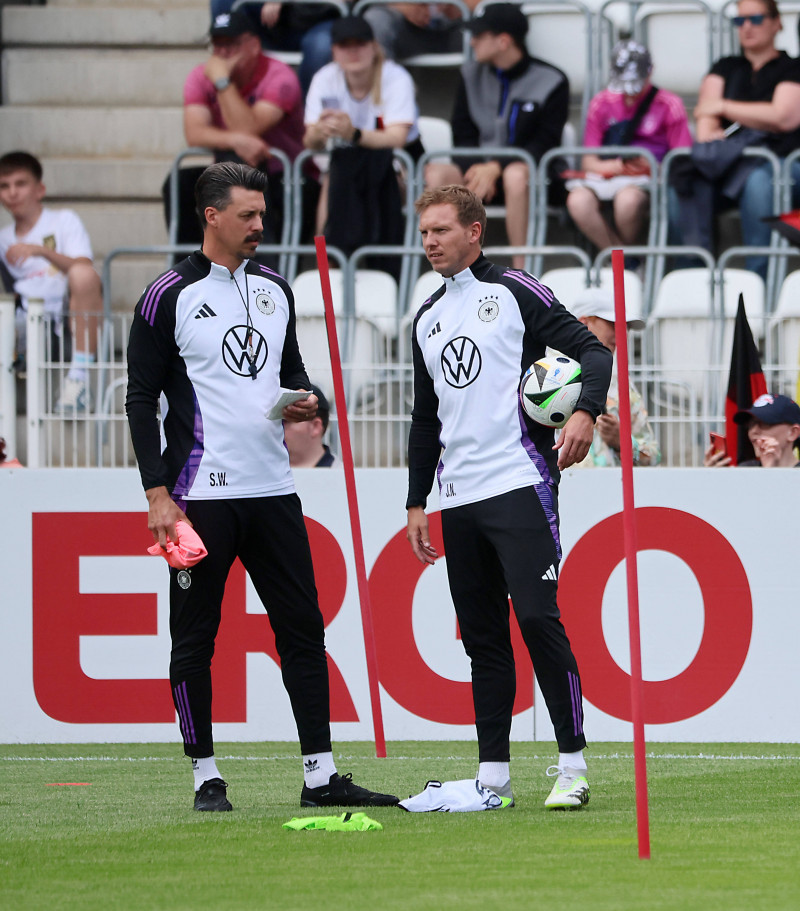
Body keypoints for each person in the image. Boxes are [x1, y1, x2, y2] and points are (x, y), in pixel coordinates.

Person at [126, 162, 398, 812]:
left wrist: (306, 402)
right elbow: (140, 400)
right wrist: (156, 493)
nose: (260, 225)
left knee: (303, 628)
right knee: (195, 636)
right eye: (247, 214)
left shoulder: (277, 287)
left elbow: (293, 373)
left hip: (275, 490)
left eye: (263, 212)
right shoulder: (166, 294)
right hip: (196, 498)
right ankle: (205, 776)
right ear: (210, 216)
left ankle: (321, 773)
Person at [406, 185, 613, 809]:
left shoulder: (517, 291)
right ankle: (492, 779)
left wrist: (584, 412)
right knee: (482, 638)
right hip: (458, 496)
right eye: (423, 233)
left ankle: (572, 766)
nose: (431, 243)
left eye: (442, 230)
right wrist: (417, 501)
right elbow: (425, 419)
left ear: (476, 232)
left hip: (520, 483)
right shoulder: (426, 318)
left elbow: (594, 352)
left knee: (535, 619)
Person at [424, 4, 569, 270]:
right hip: (478, 175)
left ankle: (521, 271)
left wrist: (496, 166)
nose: (473, 41)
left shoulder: (552, 80)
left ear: (503, 41)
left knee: (515, 174)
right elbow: (463, 134)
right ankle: (452, 267)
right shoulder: (469, 74)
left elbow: (544, 143)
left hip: (532, 179)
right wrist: (480, 168)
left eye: (479, 35)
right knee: (437, 174)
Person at [678, 0, 800, 277]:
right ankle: (691, 276)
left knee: (760, 181)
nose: (746, 26)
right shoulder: (726, 66)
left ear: (777, 22)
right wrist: (712, 120)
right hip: (730, 164)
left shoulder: (793, 67)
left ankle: (760, 282)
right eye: (739, 20)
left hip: (782, 165)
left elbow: (782, 117)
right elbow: (705, 118)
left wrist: (723, 107)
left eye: (756, 19)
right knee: (684, 176)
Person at [165, 10, 308, 246]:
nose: (221, 54)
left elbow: (247, 127)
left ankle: (260, 268)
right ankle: (191, 270)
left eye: (230, 45)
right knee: (180, 183)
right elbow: (195, 133)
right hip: (230, 170)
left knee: (242, 173)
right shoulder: (201, 76)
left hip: (286, 176)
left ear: (253, 45)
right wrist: (236, 141)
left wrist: (223, 82)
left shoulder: (279, 76)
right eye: (217, 45)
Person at [303, 14, 424, 261]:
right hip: (345, 167)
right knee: (333, 185)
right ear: (334, 51)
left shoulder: (396, 77)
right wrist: (319, 132)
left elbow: (397, 138)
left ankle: (391, 274)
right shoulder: (325, 78)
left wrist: (353, 133)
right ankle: (326, 276)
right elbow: (309, 142)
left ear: (373, 46)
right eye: (345, 46)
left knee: (426, 180)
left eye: (360, 43)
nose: (353, 51)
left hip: (397, 167)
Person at [0, 151, 103, 415]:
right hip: (23, 325)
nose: (12, 192)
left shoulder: (63, 220)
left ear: (40, 189)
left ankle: (77, 379)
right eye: (4, 186)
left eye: (20, 184)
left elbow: (84, 268)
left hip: (68, 322)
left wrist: (41, 251)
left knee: (83, 274)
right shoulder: (2, 239)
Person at [565, 41, 692, 254]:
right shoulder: (601, 103)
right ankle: (626, 265)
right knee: (577, 201)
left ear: (650, 73)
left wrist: (650, 167)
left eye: (636, 84)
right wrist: (618, 167)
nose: (630, 93)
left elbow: (682, 160)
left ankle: (621, 265)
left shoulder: (670, 104)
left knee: (628, 202)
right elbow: (589, 161)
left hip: (650, 179)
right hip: (607, 176)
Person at [568, 288, 660, 468]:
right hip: (561, 492)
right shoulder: (545, 377)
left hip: (613, 492)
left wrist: (623, 442)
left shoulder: (622, 386)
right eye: (613, 324)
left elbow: (653, 457)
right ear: (583, 323)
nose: (622, 335)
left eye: (625, 327)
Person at [209, 1, 338, 96]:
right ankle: (223, 79)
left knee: (320, 48)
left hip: (322, 20)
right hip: (271, 22)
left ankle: (307, 117)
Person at [364, 1, 480, 63]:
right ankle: (382, 98)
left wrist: (461, 4)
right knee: (376, 20)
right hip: (406, 28)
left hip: (458, 26)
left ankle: (492, 103)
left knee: (491, 33)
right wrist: (399, 4)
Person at [704, 392, 800, 466]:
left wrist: (772, 473)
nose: (753, 431)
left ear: (792, 433)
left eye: (765, 423)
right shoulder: (743, 470)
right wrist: (712, 478)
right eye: (750, 424)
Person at [284, 382, 339, 466]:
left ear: (315, 426)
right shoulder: (266, 473)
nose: (277, 428)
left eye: (285, 421)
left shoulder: (341, 476)